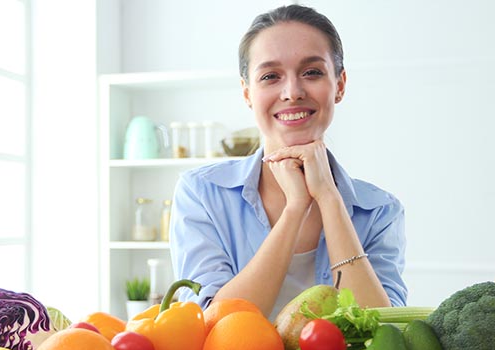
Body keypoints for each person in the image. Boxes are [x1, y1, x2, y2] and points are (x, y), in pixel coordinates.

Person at [169, 4, 407, 320]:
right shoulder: (201, 193)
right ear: (247, 93)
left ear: (339, 85)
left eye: (312, 72)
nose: (292, 92)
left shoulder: (379, 211)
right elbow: (210, 325)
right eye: (270, 76)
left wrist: (329, 199)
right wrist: (294, 210)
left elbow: (384, 333)